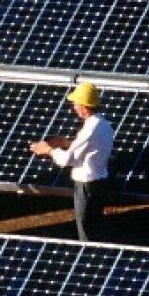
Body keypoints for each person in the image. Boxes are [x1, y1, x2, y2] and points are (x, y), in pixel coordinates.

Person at [30, 82, 113, 242]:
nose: (74, 106)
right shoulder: (104, 125)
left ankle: (88, 260)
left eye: (76, 103)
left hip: (86, 186)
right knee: (95, 228)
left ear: (85, 106)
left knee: (86, 231)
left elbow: (68, 159)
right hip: (99, 182)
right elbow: (90, 147)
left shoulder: (90, 129)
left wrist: (48, 150)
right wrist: (65, 143)